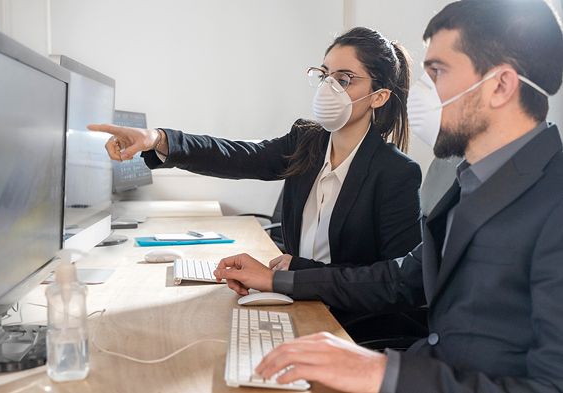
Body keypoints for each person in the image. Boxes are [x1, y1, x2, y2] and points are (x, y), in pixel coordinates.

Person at [212, 0, 563, 392]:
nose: (420, 93)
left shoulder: (554, 199)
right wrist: (280, 280)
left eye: (438, 72)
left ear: (500, 86)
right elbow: (396, 278)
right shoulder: (473, 180)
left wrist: (382, 372)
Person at [89, 27, 422, 273]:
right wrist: (156, 138)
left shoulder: (396, 174)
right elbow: (235, 155)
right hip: (297, 299)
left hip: (350, 326)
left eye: (344, 79)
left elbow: (393, 282)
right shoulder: (306, 142)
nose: (328, 88)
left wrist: (295, 276)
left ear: (378, 96)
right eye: (324, 75)